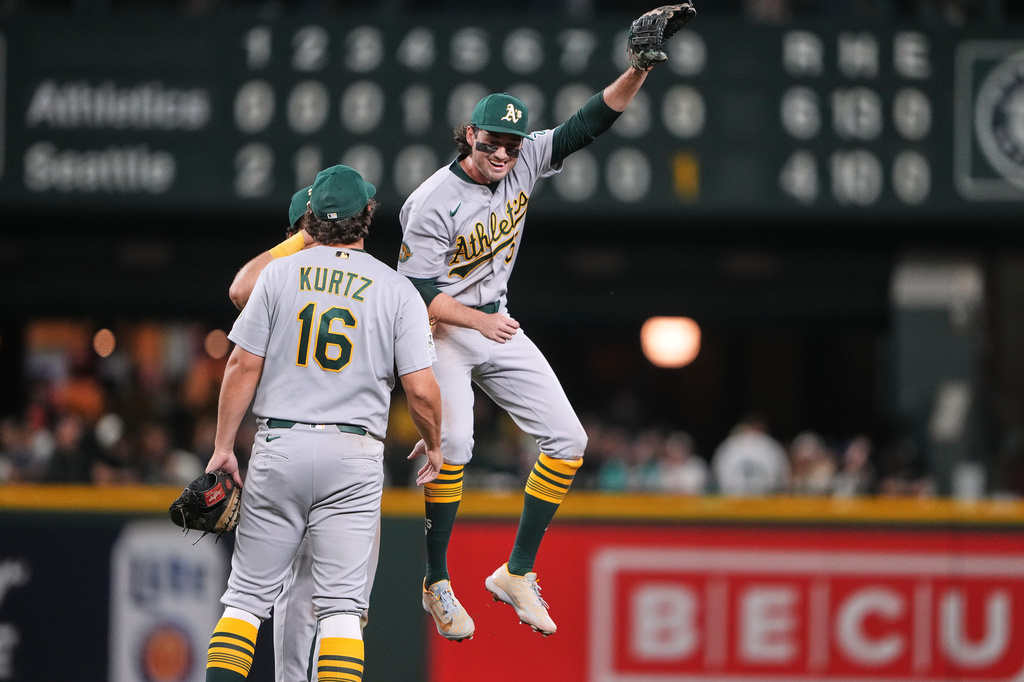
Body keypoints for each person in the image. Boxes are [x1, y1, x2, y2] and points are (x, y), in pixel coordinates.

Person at [398, 58, 666, 639]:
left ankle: (516, 572)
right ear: (470, 135)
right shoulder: (431, 201)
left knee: (570, 440)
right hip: (442, 332)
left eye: (513, 146)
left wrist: (639, 69)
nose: (503, 155)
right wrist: (476, 322)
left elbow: (587, 123)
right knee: (458, 446)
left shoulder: (523, 164)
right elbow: (417, 293)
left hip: (495, 321)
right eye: (493, 142)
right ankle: (435, 581)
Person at [202, 164, 443, 682]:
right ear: (368, 215)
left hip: (279, 444)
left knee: (244, 603)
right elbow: (421, 389)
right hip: (352, 454)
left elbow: (241, 365)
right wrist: (435, 443)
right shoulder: (396, 288)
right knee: (340, 613)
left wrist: (224, 447)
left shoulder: (280, 275)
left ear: (309, 219)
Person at [710, 414, 790, 496]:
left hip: (732, 501)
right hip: (764, 501)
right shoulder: (771, 446)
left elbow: (716, 476)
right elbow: (783, 479)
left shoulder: (728, 446)